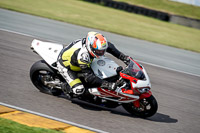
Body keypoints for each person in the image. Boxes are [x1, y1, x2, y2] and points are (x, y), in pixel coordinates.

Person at [57, 31, 130, 96]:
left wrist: (124, 57)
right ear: (91, 47)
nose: (101, 53)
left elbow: (110, 47)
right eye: (99, 51)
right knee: (79, 90)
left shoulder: (94, 44)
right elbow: (89, 77)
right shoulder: (83, 56)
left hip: (80, 61)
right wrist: (107, 85)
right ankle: (64, 86)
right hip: (67, 67)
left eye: (102, 51)